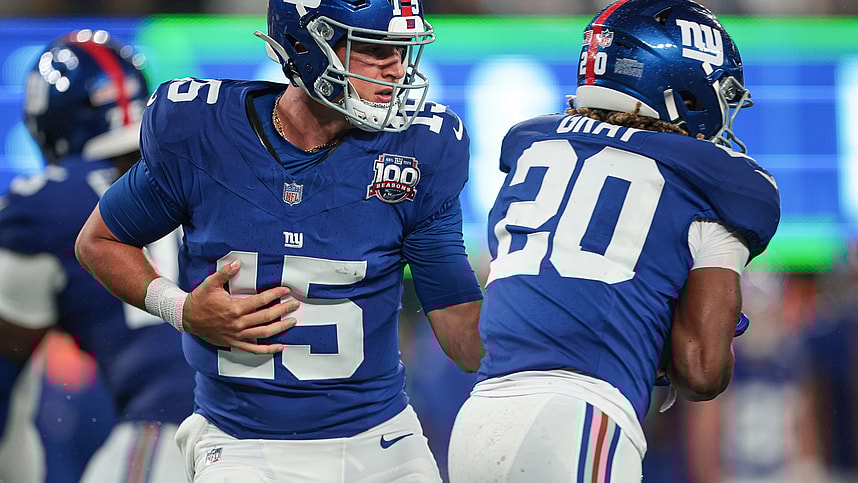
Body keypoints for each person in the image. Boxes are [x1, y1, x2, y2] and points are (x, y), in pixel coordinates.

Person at [74, 1, 484, 481]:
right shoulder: (203, 131)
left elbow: (463, 339)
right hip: (241, 442)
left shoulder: (422, 148)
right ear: (307, 46)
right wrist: (180, 308)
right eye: (375, 49)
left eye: (402, 51)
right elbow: (99, 241)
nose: (398, 69)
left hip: (381, 440)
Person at [446, 0, 781, 481]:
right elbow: (702, 371)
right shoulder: (716, 182)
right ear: (683, 85)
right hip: (578, 417)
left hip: (479, 419)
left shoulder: (530, 147)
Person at [0, 29, 197, 482]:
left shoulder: (45, 205)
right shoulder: (208, 165)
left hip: (171, 431)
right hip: (298, 425)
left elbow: (8, 381)